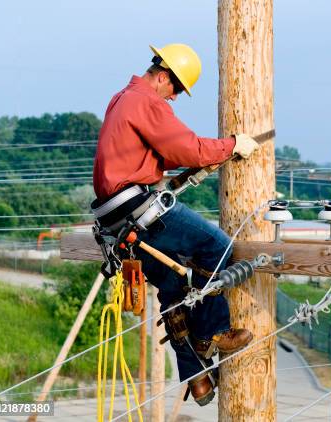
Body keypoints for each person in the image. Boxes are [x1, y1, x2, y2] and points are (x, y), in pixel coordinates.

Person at [92, 43, 259, 406]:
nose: (175, 99)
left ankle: (196, 378)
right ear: (165, 76)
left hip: (115, 221)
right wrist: (231, 145)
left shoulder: (121, 98)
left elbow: (158, 156)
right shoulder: (145, 101)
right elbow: (188, 148)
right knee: (218, 247)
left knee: (173, 288)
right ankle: (210, 333)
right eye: (177, 90)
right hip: (138, 208)